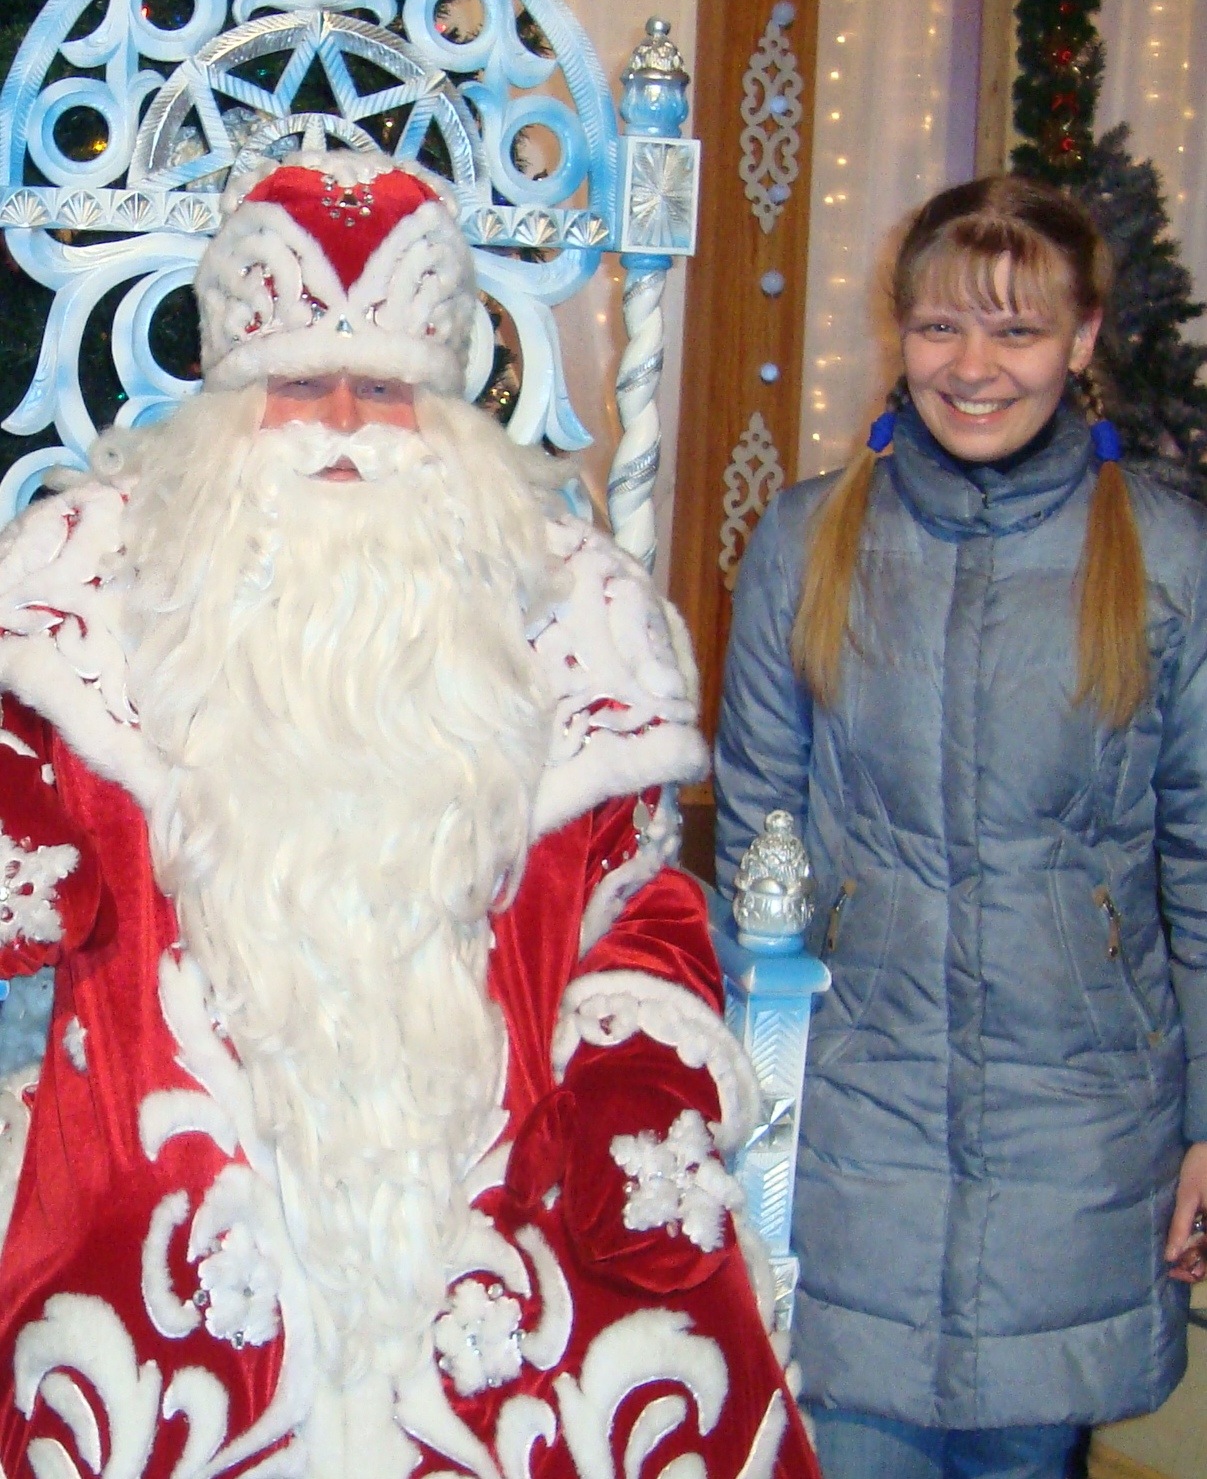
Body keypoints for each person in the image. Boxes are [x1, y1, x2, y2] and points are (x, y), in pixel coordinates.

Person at [0, 150, 819, 1479]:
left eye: (383, 387)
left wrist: (640, 1074)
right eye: (296, 384)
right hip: (172, 1243)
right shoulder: (85, 597)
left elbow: (639, 902)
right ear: (228, 398)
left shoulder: (568, 611)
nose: (340, 421)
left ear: (445, 409)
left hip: (488, 1222)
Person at [714, 174, 1207, 1479]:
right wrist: (742, 1097)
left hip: (1081, 1132)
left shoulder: (1168, 561)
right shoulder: (806, 542)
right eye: (941, 327)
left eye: (1017, 330)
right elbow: (756, 850)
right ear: (901, 330)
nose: (973, 369)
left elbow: (1203, 863)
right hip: (851, 1124)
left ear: (1083, 341)